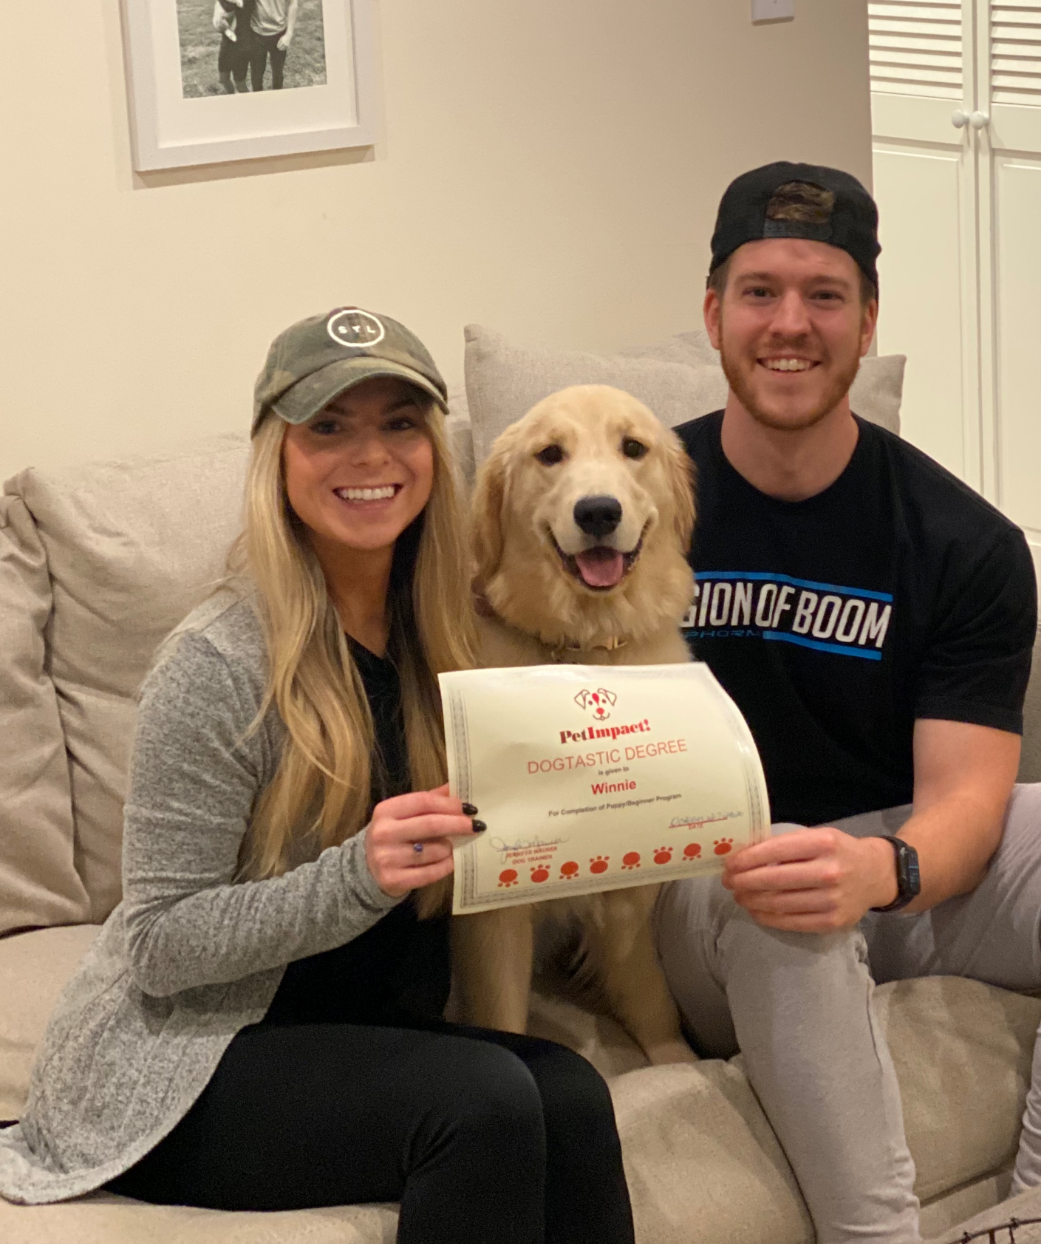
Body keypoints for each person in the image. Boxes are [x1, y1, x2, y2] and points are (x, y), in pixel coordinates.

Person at [654, 162, 1041, 1244]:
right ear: (713, 312)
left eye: (824, 295)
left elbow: (964, 799)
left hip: (881, 866)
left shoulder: (958, 541)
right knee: (782, 874)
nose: (790, 324)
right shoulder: (633, 499)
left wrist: (883, 867)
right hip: (704, 886)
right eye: (760, 290)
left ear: (867, 324)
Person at [0, 307, 635, 1244]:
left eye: (399, 422)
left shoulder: (449, 637)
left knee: (572, 1092)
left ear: (433, 449)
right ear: (278, 457)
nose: (367, 454)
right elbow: (161, 944)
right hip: (193, 1060)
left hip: (360, 1031)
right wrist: (357, 876)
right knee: (486, 1105)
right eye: (328, 427)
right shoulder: (216, 663)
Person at [213, 0, 255, 94]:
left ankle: (248, 109)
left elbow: (229, 7)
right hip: (227, 39)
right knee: (223, 77)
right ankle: (232, 101)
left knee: (239, 82)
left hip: (242, 43)